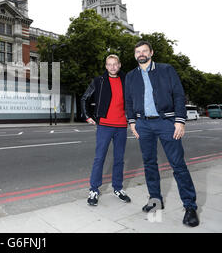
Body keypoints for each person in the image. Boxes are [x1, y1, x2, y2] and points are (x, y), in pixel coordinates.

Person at [125, 40, 199, 227]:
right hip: (143, 124)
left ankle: (190, 206)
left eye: (144, 51)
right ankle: (155, 199)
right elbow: (128, 101)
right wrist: (132, 122)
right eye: (137, 51)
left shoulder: (167, 69)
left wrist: (180, 121)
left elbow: (179, 95)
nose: (141, 54)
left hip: (166, 122)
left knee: (178, 164)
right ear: (135, 55)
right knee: (149, 163)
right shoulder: (131, 76)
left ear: (151, 52)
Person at [81, 54, 131, 206]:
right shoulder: (99, 81)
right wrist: (87, 116)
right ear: (106, 66)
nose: (112, 67)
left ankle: (118, 188)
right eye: (109, 64)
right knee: (99, 158)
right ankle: (94, 189)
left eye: (115, 64)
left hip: (122, 126)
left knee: (119, 159)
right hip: (104, 125)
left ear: (119, 65)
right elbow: (85, 98)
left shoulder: (127, 80)